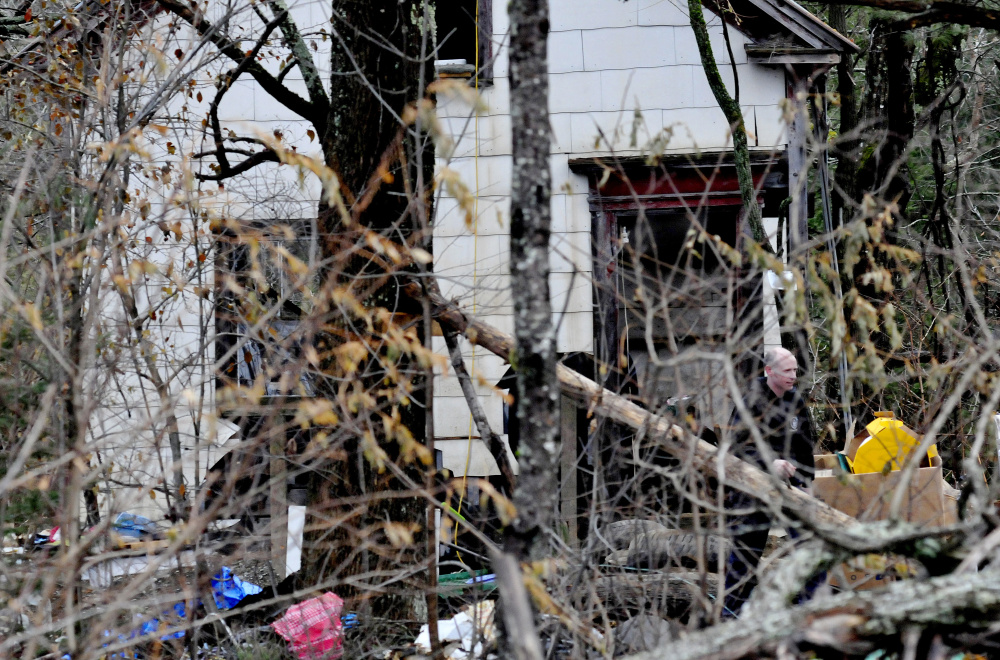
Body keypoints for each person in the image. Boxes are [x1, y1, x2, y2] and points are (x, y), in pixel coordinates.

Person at [723, 346, 817, 616]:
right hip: (753, 486)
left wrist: (807, 484)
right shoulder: (750, 399)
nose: (793, 375)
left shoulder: (795, 399)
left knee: (809, 545)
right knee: (745, 554)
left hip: (791, 487)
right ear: (769, 371)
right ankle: (731, 614)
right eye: (787, 371)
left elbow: (804, 446)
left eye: (795, 370)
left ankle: (807, 609)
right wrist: (768, 464)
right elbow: (735, 449)